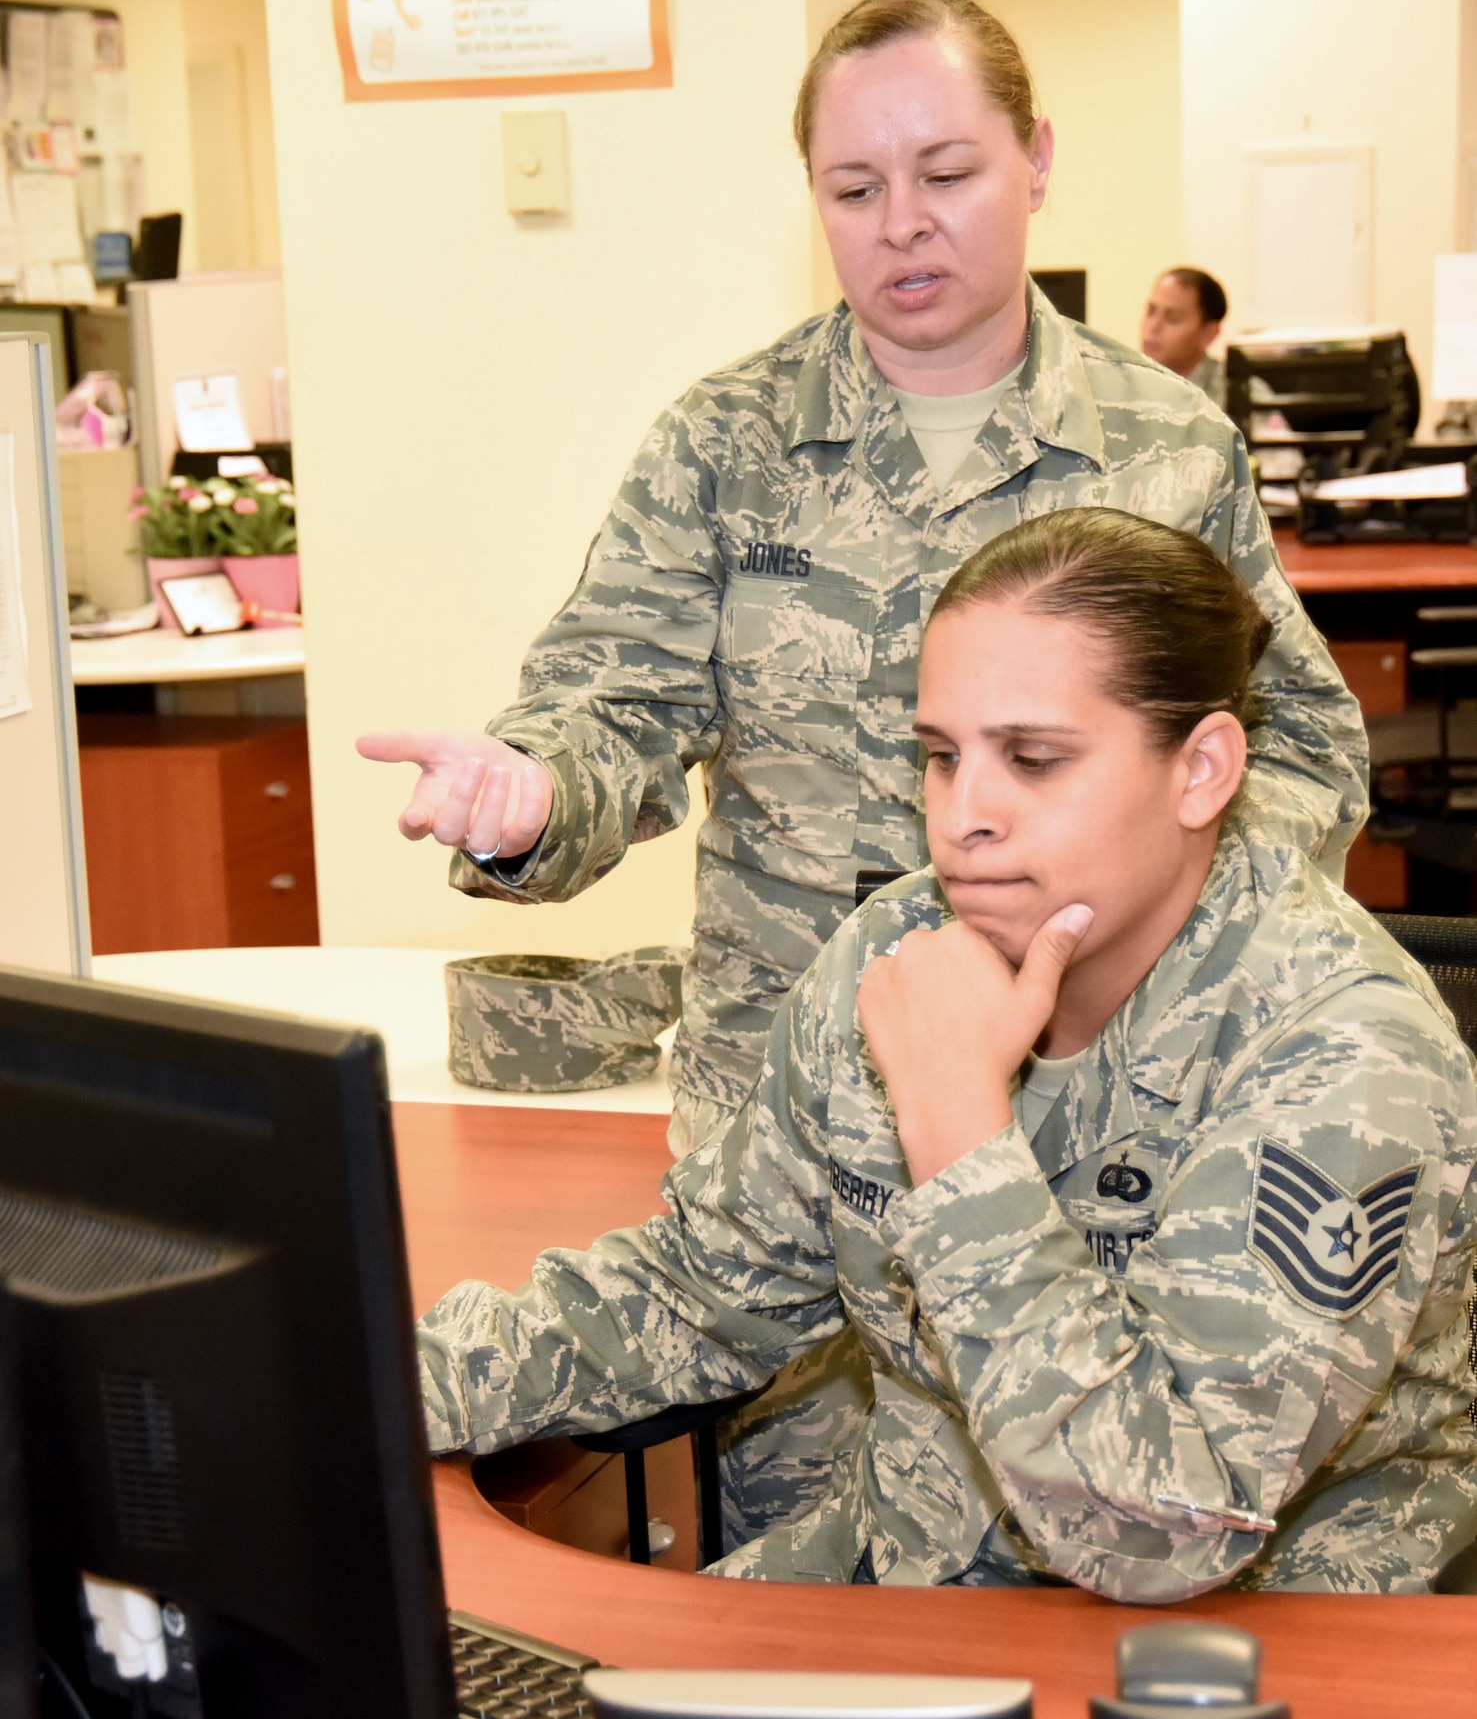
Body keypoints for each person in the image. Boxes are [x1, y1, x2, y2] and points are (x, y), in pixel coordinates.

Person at [367, 0, 1367, 1547]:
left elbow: (1294, 748)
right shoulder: (727, 444)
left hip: (1096, 1136)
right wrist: (534, 794)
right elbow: (601, 710)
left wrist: (1174, 941)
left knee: (1106, 1537)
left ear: (1035, 160)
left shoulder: (1166, 447)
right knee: (835, 1602)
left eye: (948, 173)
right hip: (798, 1147)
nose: (902, 224)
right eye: (853, 190)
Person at [418, 508, 1477, 1601]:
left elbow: (1164, 1530)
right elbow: (706, 1288)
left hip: (1245, 1640)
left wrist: (959, 1125)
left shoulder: (1345, 1055)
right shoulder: (904, 946)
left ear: (1201, 770)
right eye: (939, 755)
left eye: (1032, 757)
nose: (962, 817)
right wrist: (375, 1381)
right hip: (924, 1564)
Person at [1140, 266, 1229, 407]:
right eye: (1151, 312)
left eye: (1173, 318)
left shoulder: (1236, 392)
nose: (1154, 327)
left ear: (1209, 334)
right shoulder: (1123, 383)